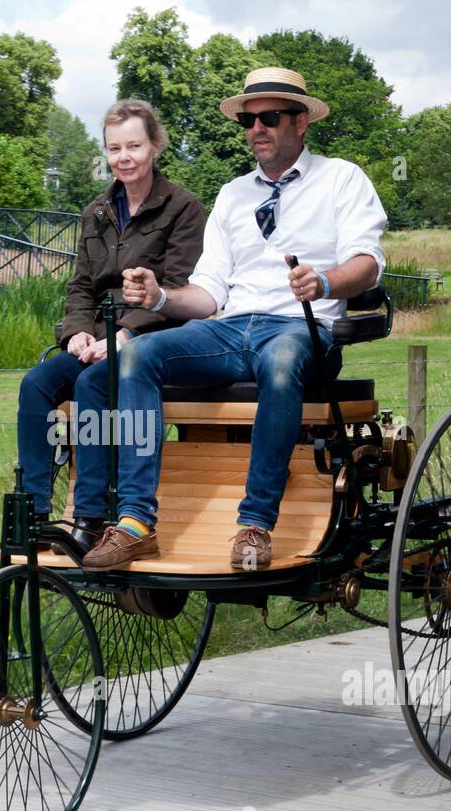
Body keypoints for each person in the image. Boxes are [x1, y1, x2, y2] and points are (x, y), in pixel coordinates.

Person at [81, 67, 387, 570]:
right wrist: (159, 299)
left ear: (301, 120)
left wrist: (325, 282)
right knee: (136, 357)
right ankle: (136, 522)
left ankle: (255, 524)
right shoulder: (233, 194)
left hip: (301, 327)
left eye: (269, 117)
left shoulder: (341, 178)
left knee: (283, 363)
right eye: (249, 119)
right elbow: (206, 294)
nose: (256, 129)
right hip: (230, 327)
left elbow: (368, 263)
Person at [16, 99, 206, 552]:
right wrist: (76, 332)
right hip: (96, 334)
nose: (124, 157)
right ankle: (36, 515)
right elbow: (81, 286)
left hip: (152, 338)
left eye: (134, 146)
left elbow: (178, 290)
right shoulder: (95, 212)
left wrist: (125, 335)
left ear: (155, 146)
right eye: (115, 148)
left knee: (92, 384)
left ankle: (90, 514)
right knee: (37, 384)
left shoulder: (183, 208)